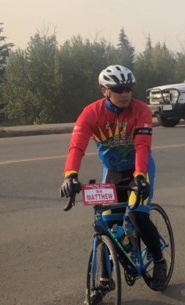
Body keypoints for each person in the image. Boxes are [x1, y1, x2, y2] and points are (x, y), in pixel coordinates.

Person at [60, 65, 168, 290]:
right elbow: (77, 146)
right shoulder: (91, 113)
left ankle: (159, 261)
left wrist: (140, 177)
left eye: (129, 88)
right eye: (118, 89)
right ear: (104, 91)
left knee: (138, 216)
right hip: (114, 172)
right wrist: (70, 175)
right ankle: (104, 279)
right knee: (107, 224)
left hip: (141, 168)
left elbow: (142, 146)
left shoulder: (141, 110)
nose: (125, 93)